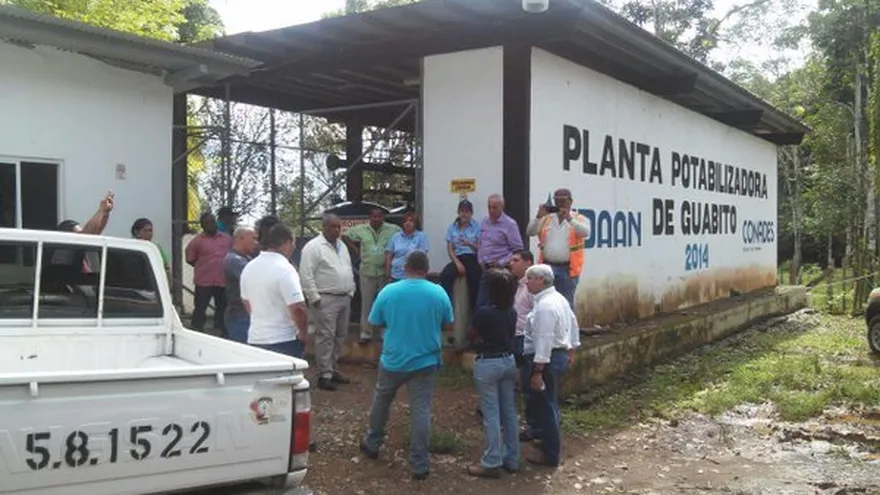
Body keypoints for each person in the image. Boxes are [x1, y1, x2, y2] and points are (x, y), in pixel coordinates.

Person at [360, 251, 453, 481]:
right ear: (426, 268)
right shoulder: (438, 292)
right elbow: (448, 325)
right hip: (426, 361)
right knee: (421, 410)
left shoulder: (389, 291)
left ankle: (372, 444)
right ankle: (420, 464)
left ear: (405, 267)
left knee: (382, 400)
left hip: (393, 359)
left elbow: (374, 322)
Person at [521, 264, 581, 468]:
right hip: (556, 356)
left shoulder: (546, 306)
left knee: (547, 406)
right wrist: (571, 350)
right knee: (547, 404)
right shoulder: (558, 299)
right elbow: (573, 323)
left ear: (541, 280)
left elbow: (543, 341)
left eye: (529, 278)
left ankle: (550, 453)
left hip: (546, 359)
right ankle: (544, 441)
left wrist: (537, 371)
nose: (526, 282)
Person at [466, 268, 520, 478]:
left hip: (488, 363)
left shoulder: (484, 312)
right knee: (509, 412)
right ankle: (512, 458)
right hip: (508, 360)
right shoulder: (512, 311)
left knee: (491, 414)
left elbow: (472, 334)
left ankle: (491, 461)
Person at [299, 213, 356, 391]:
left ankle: (332, 369)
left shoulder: (342, 245)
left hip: (344, 296)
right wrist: (314, 298)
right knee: (325, 337)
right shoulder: (313, 247)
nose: (337, 230)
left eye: (339, 226)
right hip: (325, 298)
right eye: (333, 226)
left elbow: (347, 268)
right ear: (323, 227)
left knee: (340, 335)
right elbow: (305, 275)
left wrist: (351, 290)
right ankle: (324, 375)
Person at [239, 223, 309, 357]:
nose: (294, 247)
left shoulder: (249, 268)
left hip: (256, 338)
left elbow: (247, 303)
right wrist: (303, 333)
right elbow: (298, 308)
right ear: (288, 242)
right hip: (284, 340)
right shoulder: (285, 269)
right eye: (293, 243)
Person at [343, 207, 401, 345]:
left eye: (379, 216)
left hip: (384, 272)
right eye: (374, 217)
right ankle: (366, 333)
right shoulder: (361, 229)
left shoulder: (393, 229)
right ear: (369, 218)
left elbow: (403, 237)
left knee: (385, 303)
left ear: (383, 218)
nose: (376, 219)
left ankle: (383, 333)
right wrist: (355, 249)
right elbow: (344, 236)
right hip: (367, 271)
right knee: (367, 303)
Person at [525, 188, 589, 307]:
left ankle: (567, 326)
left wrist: (569, 218)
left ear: (570, 201)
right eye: (556, 201)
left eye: (562, 201)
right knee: (544, 301)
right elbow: (530, 232)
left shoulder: (578, 218)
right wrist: (538, 217)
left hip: (567, 269)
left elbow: (585, 232)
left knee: (566, 303)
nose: (559, 204)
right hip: (547, 267)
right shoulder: (546, 219)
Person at [508, 250, 540, 441]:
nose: (511, 263)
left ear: (528, 263)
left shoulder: (532, 288)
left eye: (516, 260)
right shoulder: (517, 285)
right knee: (512, 381)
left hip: (526, 340)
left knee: (529, 385)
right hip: (514, 337)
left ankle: (534, 426)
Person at [185, 211, 232, 334]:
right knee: (200, 308)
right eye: (207, 223)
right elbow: (190, 259)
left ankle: (221, 330)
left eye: (212, 221)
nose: (210, 224)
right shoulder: (196, 241)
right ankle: (197, 330)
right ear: (202, 225)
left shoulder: (227, 239)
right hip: (204, 281)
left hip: (222, 280)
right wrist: (204, 266)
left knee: (223, 307)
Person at [476, 194, 524, 308]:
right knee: (481, 304)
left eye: (494, 207)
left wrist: (502, 262)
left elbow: (518, 249)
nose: (491, 210)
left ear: (501, 207)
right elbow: (482, 243)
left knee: (500, 306)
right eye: (489, 207)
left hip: (502, 271)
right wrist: (481, 259)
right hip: (486, 270)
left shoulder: (510, 224)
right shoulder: (484, 221)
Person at [438, 199, 482, 315]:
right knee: (445, 276)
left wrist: (469, 243)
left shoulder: (477, 226)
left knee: (475, 281)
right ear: (458, 212)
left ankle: (475, 315)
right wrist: (457, 263)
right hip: (458, 258)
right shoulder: (452, 227)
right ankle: (447, 309)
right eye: (462, 211)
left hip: (472, 257)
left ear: (471, 213)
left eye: (467, 211)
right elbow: (450, 249)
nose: (464, 214)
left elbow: (480, 248)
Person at [223, 226, 258, 344]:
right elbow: (255, 281)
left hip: (245, 315)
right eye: (253, 238)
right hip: (239, 316)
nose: (256, 242)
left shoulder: (246, 258)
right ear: (240, 238)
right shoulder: (234, 260)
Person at [385, 212, 429, 283]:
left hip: (413, 276)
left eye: (411, 221)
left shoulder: (421, 236)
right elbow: (389, 255)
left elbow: (422, 257)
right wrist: (388, 274)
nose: (407, 223)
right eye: (405, 221)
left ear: (415, 223)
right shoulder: (396, 236)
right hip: (396, 275)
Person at [131, 217, 171, 284]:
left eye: (150, 230)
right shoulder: (131, 246)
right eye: (145, 231)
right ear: (137, 232)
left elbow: (165, 266)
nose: (149, 234)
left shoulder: (155, 248)